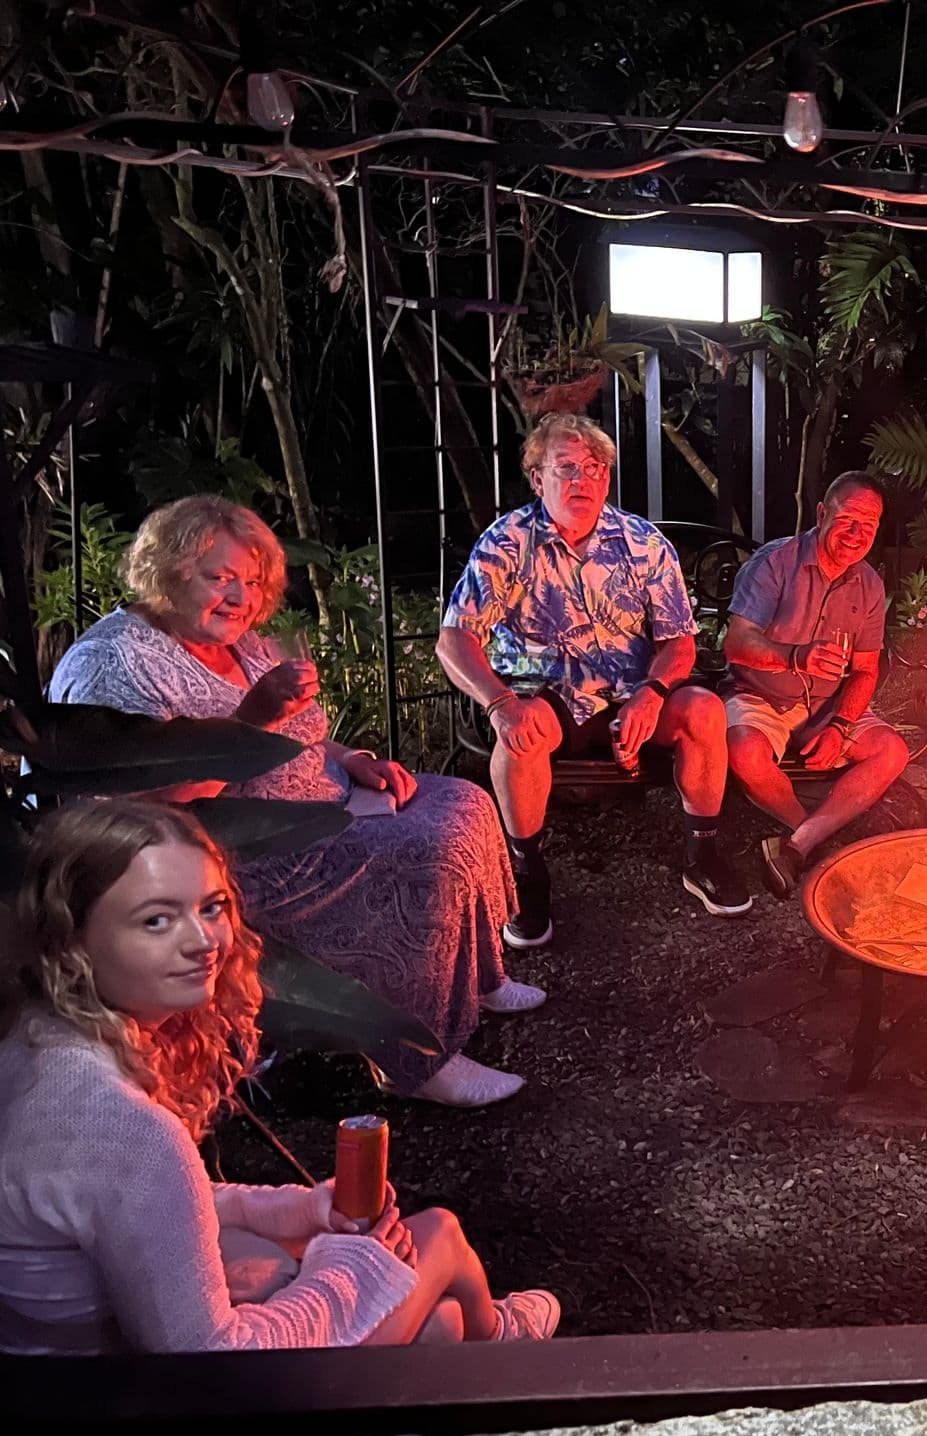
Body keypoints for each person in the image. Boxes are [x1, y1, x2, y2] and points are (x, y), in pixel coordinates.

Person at [0, 800, 560, 1353]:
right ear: (71, 940)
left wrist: (304, 1212)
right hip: (114, 1409)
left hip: (52, 1371)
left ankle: (476, 1339)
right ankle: (501, 1345)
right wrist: (344, 1264)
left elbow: (157, 1204)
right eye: (156, 920)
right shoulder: (122, 1124)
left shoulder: (34, 1043)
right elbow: (212, 1363)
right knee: (438, 1236)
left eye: (212, 907)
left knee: (438, 1323)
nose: (203, 941)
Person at [48, 497, 536, 1108]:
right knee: (426, 854)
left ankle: (473, 978)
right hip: (240, 853)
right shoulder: (112, 665)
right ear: (170, 570)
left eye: (251, 582)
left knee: (464, 803)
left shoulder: (238, 641)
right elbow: (126, 816)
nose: (240, 597)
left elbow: (300, 728)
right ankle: (415, 1057)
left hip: (323, 799)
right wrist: (250, 720)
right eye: (220, 577)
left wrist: (352, 758)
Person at [437, 412, 752, 940]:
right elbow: (455, 639)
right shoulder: (508, 543)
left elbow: (679, 641)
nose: (584, 480)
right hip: (551, 696)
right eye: (567, 468)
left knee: (704, 709)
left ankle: (704, 855)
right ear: (538, 478)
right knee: (520, 736)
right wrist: (499, 704)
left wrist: (651, 695)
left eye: (595, 467)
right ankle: (527, 874)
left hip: (632, 698)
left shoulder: (644, 544)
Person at [722, 472, 911, 898]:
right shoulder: (776, 562)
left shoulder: (868, 585)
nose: (857, 534)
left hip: (825, 702)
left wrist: (841, 725)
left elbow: (864, 670)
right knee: (744, 751)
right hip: (760, 693)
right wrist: (795, 656)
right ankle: (819, 837)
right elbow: (735, 644)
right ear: (823, 513)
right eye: (848, 519)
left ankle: (799, 845)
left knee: (892, 751)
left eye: (870, 525)